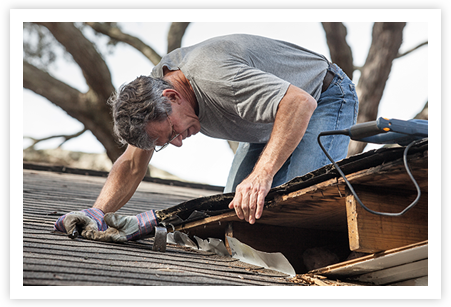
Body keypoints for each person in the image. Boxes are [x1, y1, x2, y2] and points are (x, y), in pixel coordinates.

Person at [54, 34, 358, 242]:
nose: (178, 142)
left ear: (172, 96)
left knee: (300, 209)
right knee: (236, 219)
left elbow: (298, 103)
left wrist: (262, 175)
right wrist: (97, 213)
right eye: (166, 142)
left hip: (323, 96)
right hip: (266, 120)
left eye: (172, 133)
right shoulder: (151, 97)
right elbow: (133, 164)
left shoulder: (218, 78)